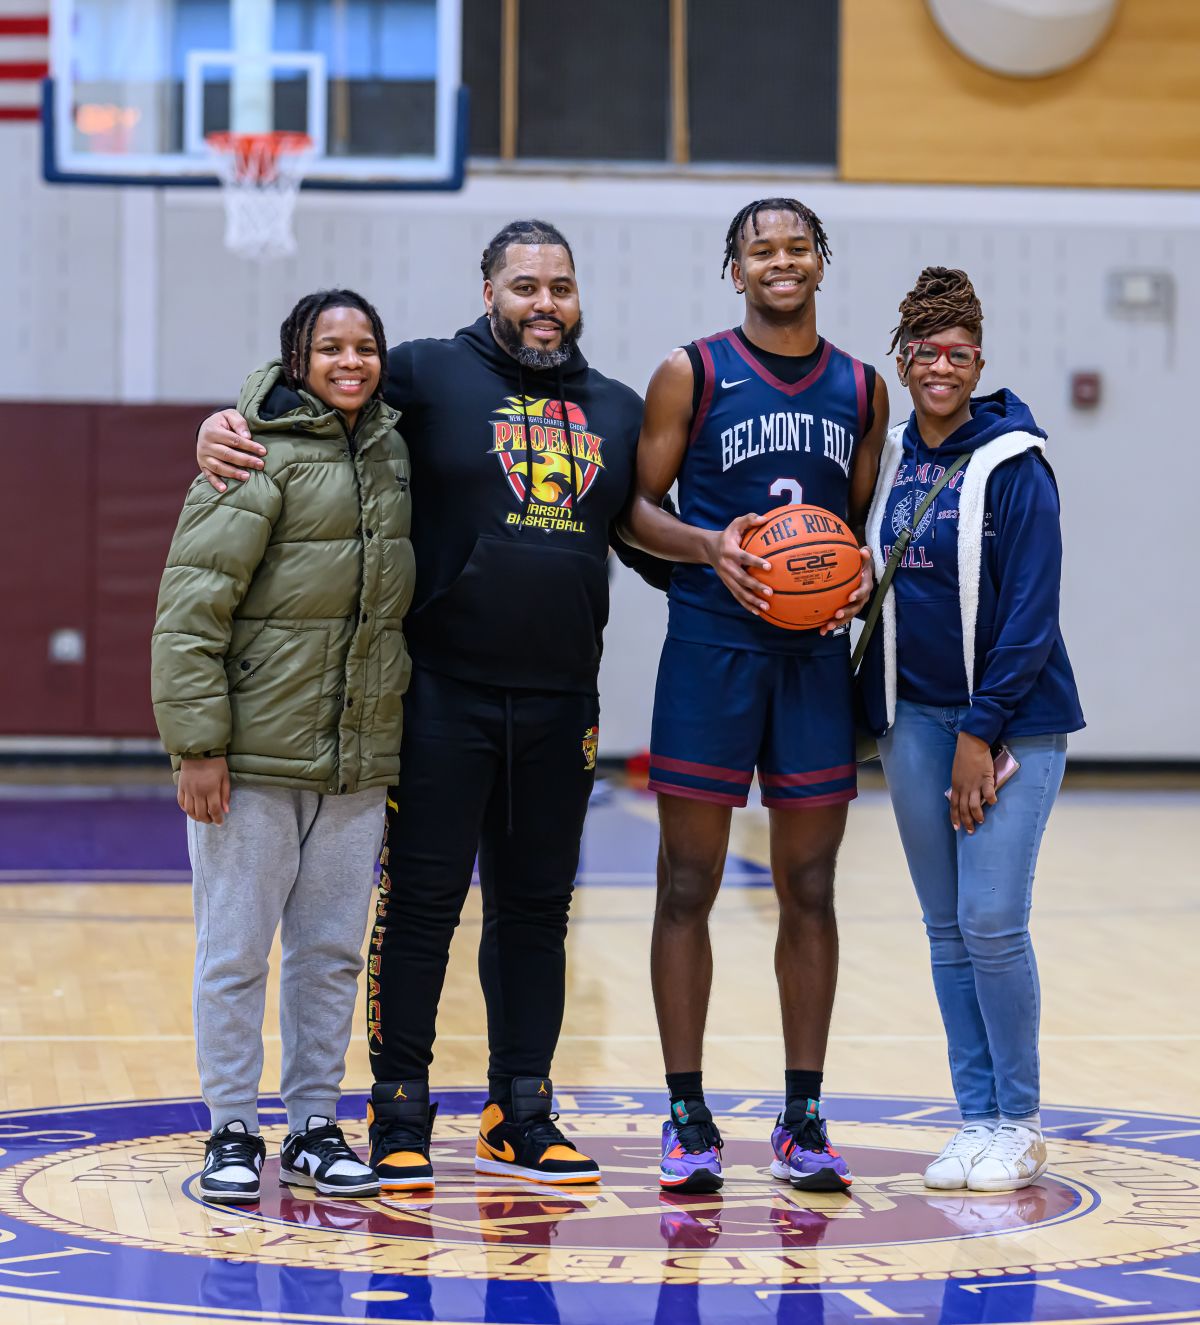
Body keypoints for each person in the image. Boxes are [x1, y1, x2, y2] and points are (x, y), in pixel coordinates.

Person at [193, 219, 670, 1190]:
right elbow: (318, 388)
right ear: (488, 287)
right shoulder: (423, 375)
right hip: (439, 693)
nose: (545, 304)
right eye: (525, 285)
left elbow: (639, 534)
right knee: (418, 908)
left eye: (561, 287)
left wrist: (732, 563)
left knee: (539, 912)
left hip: (560, 702)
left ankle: (520, 1109)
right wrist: (228, 416)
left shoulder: (617, 411)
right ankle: (398, 1109)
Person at [620, 198, 887, 1194]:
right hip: (711, 649)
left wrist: (853, 577)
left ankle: (803, 1116)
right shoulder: (692, 369)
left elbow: (851, 531)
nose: (781, 260)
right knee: (685, 885)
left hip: (811, 661)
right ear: (736, 269)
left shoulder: (864, 387)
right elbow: (634, 510)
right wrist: (708, 545)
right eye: (760, 248)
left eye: (797, 245)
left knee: (810, 889)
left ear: (822, 260)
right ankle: (687, 1114)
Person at [152, 289, 412, 1202]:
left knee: (331, 950)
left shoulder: (392, 450)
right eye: (330, 346)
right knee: (235, 950)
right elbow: (189, 612)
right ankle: (230, 1127)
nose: (351, 361)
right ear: (296, 357)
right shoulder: (248, 455)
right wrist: (198, 746)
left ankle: (311, 1123)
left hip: (356, 758)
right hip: (252, 759)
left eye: (366, 346)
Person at [859, 266, 1084, 1192]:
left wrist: (979, 730)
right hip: (913, 718)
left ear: (979, 360)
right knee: (946, 928)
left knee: (993, 920)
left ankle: (1021, 1122)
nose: (940, 366)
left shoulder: (1016, 461)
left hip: (1010, 722)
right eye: (925, 352)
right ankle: (976, 1117)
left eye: (957, 352)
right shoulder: (895, 458)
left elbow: (1031, 611)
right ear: (904, 361)